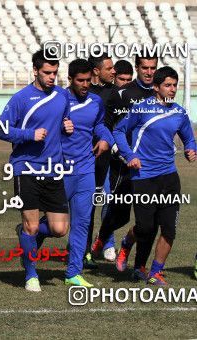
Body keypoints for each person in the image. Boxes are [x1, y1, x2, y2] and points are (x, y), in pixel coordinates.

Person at [0, 49, 74, 292]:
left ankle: (25, 234)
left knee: (59, 229)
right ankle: (31, 274)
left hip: (54, 169)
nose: (52, 77)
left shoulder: (62, 96)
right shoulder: (21, 98)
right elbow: (1, 129)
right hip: (26, 168)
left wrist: (67, 128)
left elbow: (62, 123)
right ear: (35, 71)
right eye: (47, 72)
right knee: (32, 225)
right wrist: (30, 134)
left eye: (55, 72)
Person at [113, 66, 196, 285]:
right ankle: (127, 241)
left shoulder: (179, 112)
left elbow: (189, 138)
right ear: (156, 87)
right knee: (146, 228)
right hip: (143, 176)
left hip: (169, 177)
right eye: (168, 85)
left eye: (174, 85)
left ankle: (155, 272)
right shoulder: (141, 109)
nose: (172, 89)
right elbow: (119, 131)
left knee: (169, 228)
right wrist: (129, 154)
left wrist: (190, 149)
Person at [91, 55, 158, 281]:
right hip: (123, 165)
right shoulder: (122, 94)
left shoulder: (160, 94)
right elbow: (108, 126)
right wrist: (119, 151)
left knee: (147, 218)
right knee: (119, 216)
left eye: (153, 68)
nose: (149, 72)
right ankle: (103, 236)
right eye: (145, 68)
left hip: (151, 168)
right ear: (137, 68)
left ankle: (137, 263)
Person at [62, 59, 114, 287]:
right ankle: (32, 239)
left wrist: (105, 138)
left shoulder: (95, 101)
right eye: (80, 81)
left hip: (85, 169)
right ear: (70, 79)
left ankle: (73, 272)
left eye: (87, 80)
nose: (85, 84)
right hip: (59, 169)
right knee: (54, 225)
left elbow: (100, 125)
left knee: (82, 222)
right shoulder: (58, 99)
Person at [86, 53, 117, 266]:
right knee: (86, 206)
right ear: (96, 71)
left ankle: (107, 243)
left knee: (107, 200)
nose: (113, 71)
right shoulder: (84, 92)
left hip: (106, 158)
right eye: (109, 68)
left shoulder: (115, 93)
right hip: (84, 158)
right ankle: (83, 248)